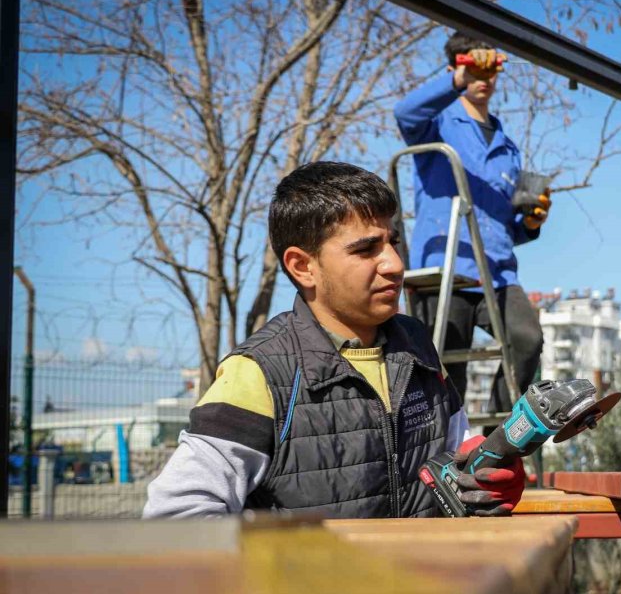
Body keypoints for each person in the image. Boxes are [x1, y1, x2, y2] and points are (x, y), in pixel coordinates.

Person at [144, 162, 524, 518]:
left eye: (392, 242)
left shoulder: (418, 347)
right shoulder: (259, 372)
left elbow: (458, 465)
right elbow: (177, 516)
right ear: (302, 266)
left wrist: (486, 480)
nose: (394, 264)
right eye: (365, 249)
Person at [393, 31, 549, 413]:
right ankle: (450, 456)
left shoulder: (507, 147)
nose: (483, 77)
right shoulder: (436, 122)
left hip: (496, 273)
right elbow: (404, 113)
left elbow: (503, 225)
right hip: (447, 268)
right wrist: (458, 80)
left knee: (527, 339)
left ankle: (499, 442)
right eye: (472, 69)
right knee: (448, 370)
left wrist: (530, 222)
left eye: (489, 68)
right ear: (454, 70)